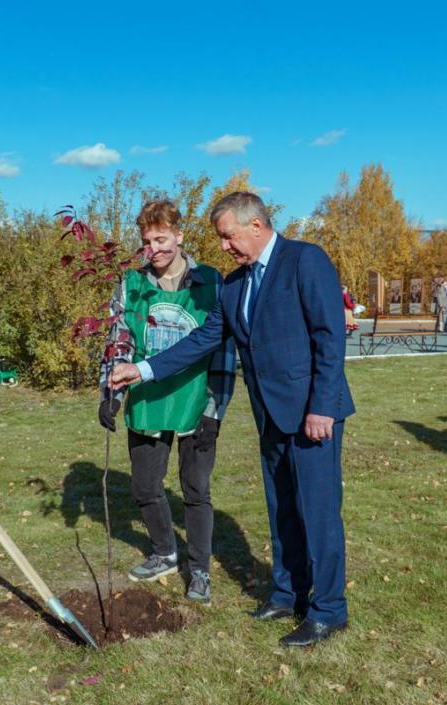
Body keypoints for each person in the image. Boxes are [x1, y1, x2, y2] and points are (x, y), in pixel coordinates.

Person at [110, 192, 355, 648]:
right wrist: (141, 370)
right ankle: (287, 594)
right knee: (281, 507)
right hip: (271, 414)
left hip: (312, 415)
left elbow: (330, 335)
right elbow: (203, 338)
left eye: (228, 236)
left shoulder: (305, 260)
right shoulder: (235, 284)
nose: (223, 247)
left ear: (256, 226)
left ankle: (329, 610)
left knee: (317, 514)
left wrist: (322, 406)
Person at [98, 199, 235, 604]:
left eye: (162, 239)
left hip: (196, 403)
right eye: (146, 241)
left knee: (195, 489)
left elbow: (224, 349)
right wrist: (112, 392)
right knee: (145, 486)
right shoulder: (131, 285)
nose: (154, 249)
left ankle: (200, 570)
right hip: (148, 399)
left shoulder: (211, 283)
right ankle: (164, 551)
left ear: (179, 235)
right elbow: (119, 339)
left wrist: (216, 408)